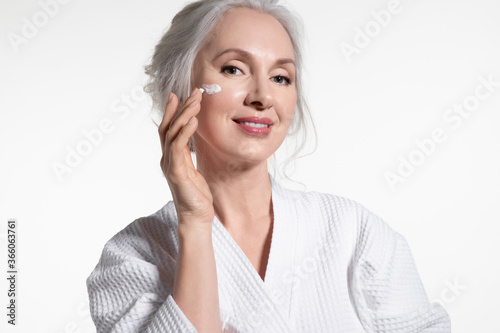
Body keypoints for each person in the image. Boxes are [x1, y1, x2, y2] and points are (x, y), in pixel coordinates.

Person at [86, 0, 451, 332]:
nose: (262, 97)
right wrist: (196, 226)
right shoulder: (132, 256)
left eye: (280, 78)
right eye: (233, 69)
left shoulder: (354, 233)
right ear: (177, 88)